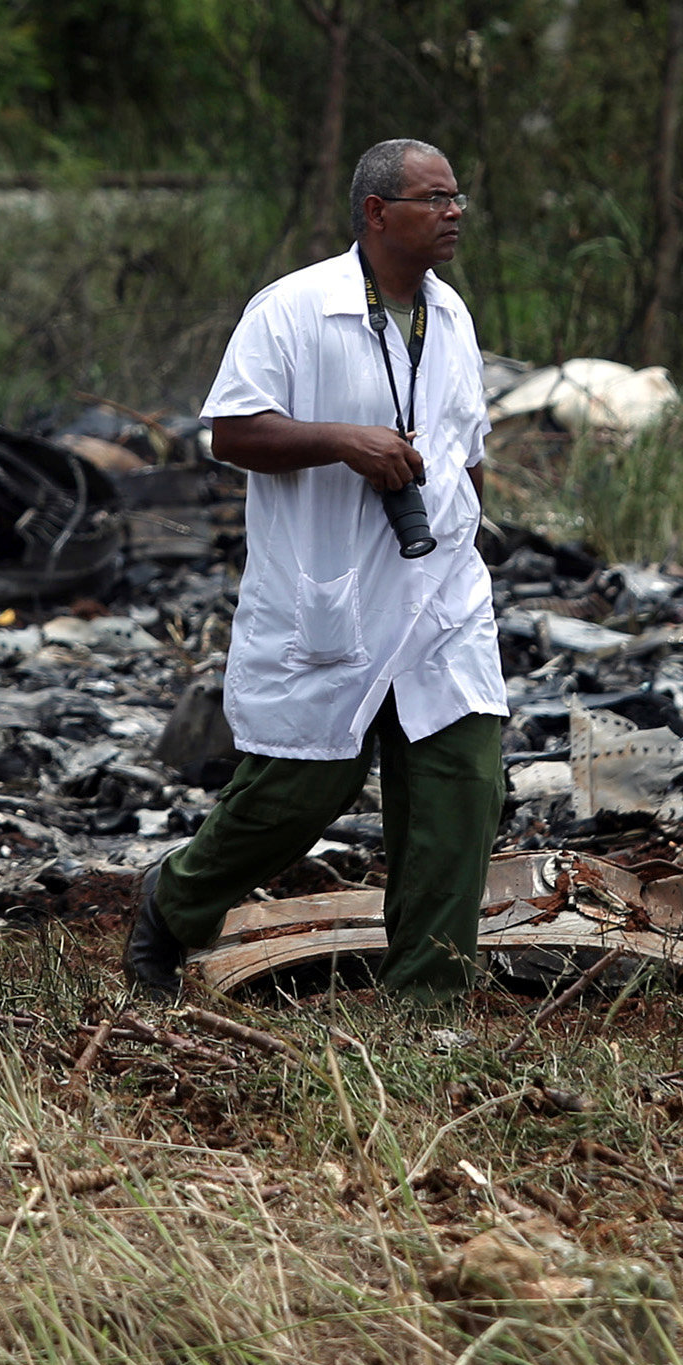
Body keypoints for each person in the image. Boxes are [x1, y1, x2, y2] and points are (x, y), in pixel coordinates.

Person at [124, 138, 502, 1002]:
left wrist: (472, 542)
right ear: (377, 212)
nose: (453, 214)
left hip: (440, 599)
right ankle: (172, 905)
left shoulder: (450, 315)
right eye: (434, 198)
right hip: (336, 594)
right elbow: (233, 432)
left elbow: (465, 445)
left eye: (457, 198)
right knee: (299, 793)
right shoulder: (293, 309)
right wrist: (342, 441)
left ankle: (426, 1006)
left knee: (461, 791)